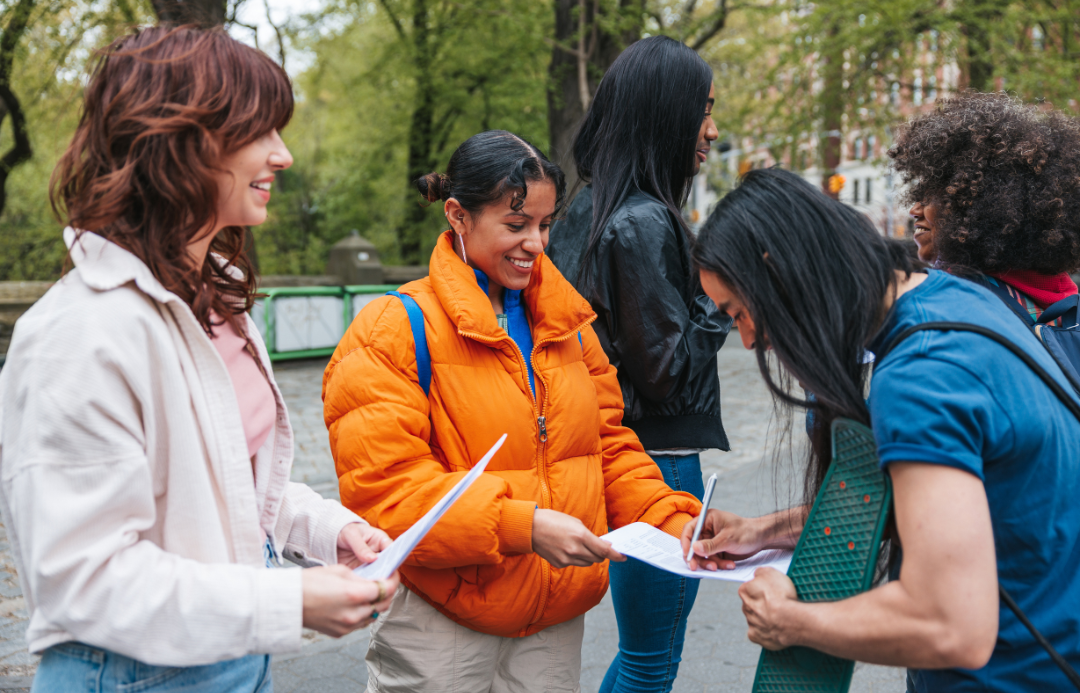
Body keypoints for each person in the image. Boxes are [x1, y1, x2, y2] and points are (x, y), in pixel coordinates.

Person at [0, 26, 399, 693]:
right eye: (261, 131)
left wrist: (332, 529)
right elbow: (82, 581)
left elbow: (221, 490)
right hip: (130, 675)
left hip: (233, 653)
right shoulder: (77, 334)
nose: (285, 155)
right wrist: (290, 603)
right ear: (183, 142)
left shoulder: (214, 297)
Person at [323, 129, 702, 693]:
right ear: (458, 215)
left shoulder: (570, 327)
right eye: (516, 224)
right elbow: (387, 492)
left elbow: (606, 449)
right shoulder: (391, 329)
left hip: (552, 619)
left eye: (546, 225)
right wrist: (522, 525)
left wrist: (675, 521)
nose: (536, 244)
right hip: (443, 623)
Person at [683, 167, 1080, 692]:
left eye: (738, 312)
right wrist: (763, 531)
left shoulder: (921, 375)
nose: (749, 339)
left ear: (778, 273)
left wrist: (791, 622)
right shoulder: (951, 297)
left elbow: (951, 624)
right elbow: (929, 507)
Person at [545, 35, 730, 693]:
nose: (711, 129)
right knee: (652, 661)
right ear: (665, 114)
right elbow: (669, 372)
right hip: (659, 461)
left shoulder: (586, 211)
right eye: (702, 110)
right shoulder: (645, 219)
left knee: (643, 656)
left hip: (617, 452)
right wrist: (722, 293)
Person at [890, 91, 1080, 321]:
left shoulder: (947, 305)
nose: (914, 210)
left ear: (974, 209)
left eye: (928, 198)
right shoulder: (1067, 307)